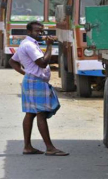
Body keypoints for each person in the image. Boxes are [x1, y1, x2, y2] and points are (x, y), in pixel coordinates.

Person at [9, 21, 69, 156]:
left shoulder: (27, 44)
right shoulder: (29, 45)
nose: (40, 34)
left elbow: (13, 61)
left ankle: (28, 146)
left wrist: (26, 73)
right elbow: (42, 63)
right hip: (35, 82)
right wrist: (49, 46)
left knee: (30, 113)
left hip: (32, 80)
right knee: (40, 113)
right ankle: (49, 147)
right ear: (29, 32)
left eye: (42, 31)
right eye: (37, 31)